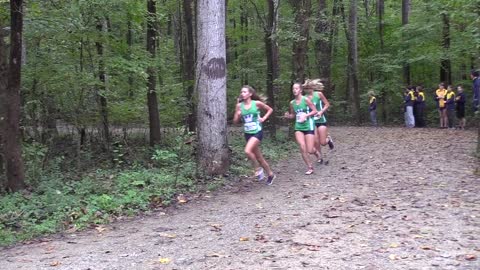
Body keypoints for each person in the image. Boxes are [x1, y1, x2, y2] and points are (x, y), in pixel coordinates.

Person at [233, 85, 276, 185]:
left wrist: (264, 118)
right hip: (248, 133)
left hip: (257, 131)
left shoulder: (256, 103)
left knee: (247, 151)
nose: (242, 94)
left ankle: (257, 169)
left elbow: (270, 109)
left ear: (250, 94)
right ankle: (270, 174)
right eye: (241, 92)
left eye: (244, 92)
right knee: (259, 157)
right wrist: (238, 115)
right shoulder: (239, 106)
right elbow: (235, 121)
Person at [284, 83, 318, 175]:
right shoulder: (292, 103)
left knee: (310, 150)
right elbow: (293, 115)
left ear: (300, 90)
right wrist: (288, 116)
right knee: (302, 147)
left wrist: (306, 115)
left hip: (308, 125)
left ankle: (316, 153)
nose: (294, 90)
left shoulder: (306, 100)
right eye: (293, 89)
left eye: (296, 88)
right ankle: (310, 167)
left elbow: (315, 111)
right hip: (298, 127)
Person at [303, 79, 335, 164]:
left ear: (313, 87)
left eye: (309, 88)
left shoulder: (319, 94)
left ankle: (328, 140)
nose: (308, 90)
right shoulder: (304, 98)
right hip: (311, 121)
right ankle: (320, 157)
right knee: (316, 141)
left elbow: (327, 104)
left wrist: (321, 111)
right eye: (306, 88)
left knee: (322, 142)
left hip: (321, 119)